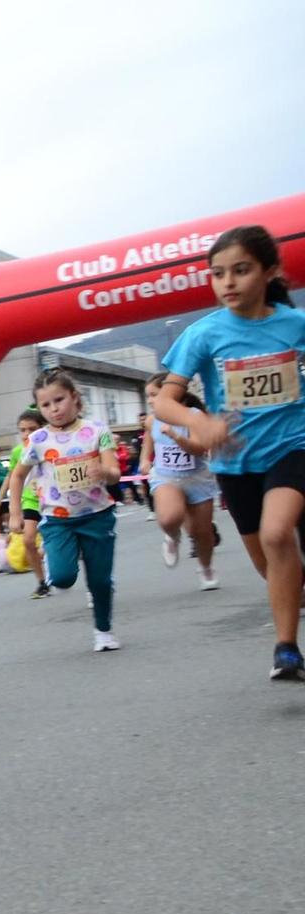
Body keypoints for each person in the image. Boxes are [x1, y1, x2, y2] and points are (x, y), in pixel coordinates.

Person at [152, 224, 305, 682]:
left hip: (293, 448)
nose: (228, 282)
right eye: (218, 274)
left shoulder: (294, 325)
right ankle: (293, 606)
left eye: (241, 270)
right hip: (236, 463)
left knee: (279, 535)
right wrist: (200, 422)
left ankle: (286, 649)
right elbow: (163, 400)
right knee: (270, 566)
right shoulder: (203, 334)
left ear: (269, 271)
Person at [5, 369, 122, 652]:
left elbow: (115, 473)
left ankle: (103, 632)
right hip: (58, 520)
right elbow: (18, 476)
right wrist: (15, 512)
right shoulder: (38, 440)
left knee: (100, 580)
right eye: (46, 405)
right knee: (61, 577)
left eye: (59, 400)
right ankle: (61, 561)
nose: (54, 409)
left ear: (74, 398)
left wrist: (103, 470)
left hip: (97, 515)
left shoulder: (96, 431)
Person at [139, 372, 222, 590]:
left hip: (197, 477)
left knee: (201, 531)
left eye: (154, 395)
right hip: (166, 476)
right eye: (148, 396)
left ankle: (206, 567)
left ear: (173, 394)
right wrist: (144, 459)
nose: (150, 401)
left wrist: (177, 437)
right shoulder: (152, 419)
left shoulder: (193, 416)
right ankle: (172, 536)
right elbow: (149, 436)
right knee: (168, 518)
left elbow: (199, 448)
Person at [1, 414, 52, 597]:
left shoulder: (49, 446)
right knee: (28, 540)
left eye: (32, 429)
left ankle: (52, 554)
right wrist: (5, 504)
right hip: (30, 499)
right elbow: (13, 477)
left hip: (51, 498)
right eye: (22, 430)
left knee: (51, 540)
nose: (26, 433)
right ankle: (42, 582)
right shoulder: (17, 452)